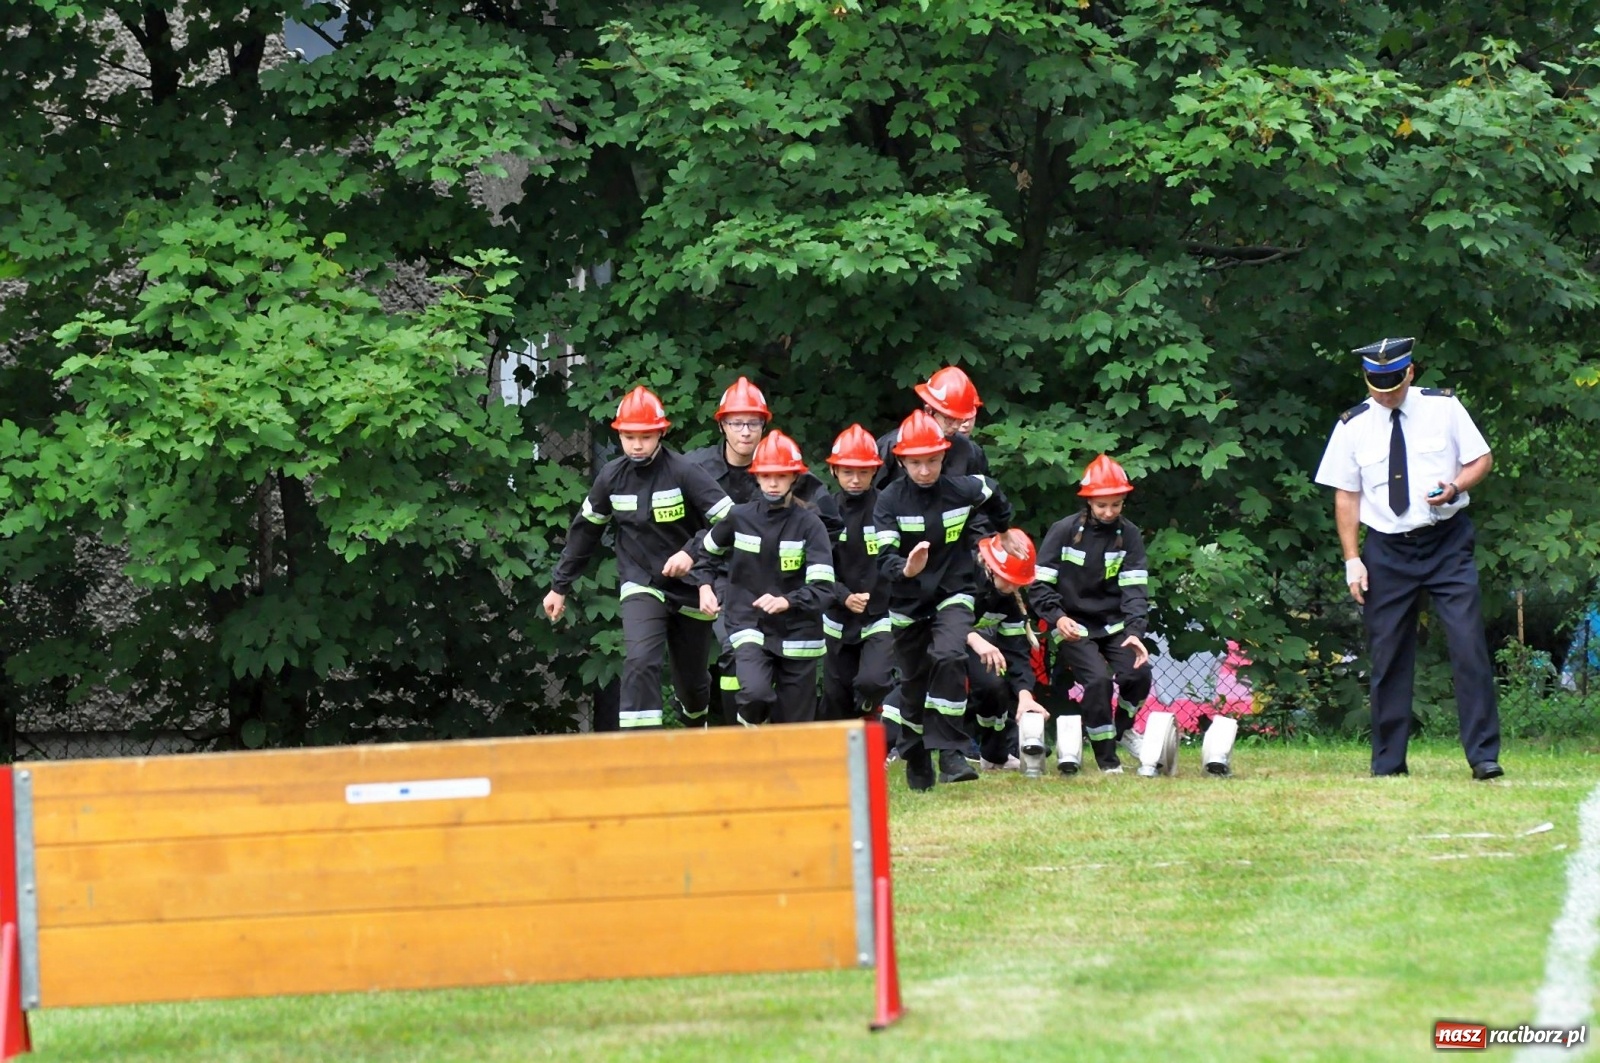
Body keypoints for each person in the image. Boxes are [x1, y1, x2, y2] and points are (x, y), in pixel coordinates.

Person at [1313, 337, 1502, 780]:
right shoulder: (1353, 424)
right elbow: (1346, 494)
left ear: (1410, 373)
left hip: (1446, 541)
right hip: (1387, 549)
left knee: (1468, 645)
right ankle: (1388, 764)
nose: (1385, 393)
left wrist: (1455, 487)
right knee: (1388, 656)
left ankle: (1483, 757)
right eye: (1376, 385)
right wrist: (1352, 559)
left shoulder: (1444, 408)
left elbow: (1482, 459)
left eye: (1393, 384)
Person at [544, 386, 732, 730]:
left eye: (645, 436)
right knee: (641, 659)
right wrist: (559, 586)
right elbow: (585, 530)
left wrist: (692, 553)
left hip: (691, 587)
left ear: (661, 432)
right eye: (628, 436)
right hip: (641, 582)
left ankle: (696, 723)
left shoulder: (683, 472)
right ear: (619, 435)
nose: (637, 444)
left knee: (692, 685)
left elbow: (729, 520)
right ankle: (640, 745)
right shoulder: (611, 477)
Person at [686, 376, 841, 723]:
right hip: (742, 594)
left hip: (795, 610)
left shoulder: (807, 514)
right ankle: (735, 728)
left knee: (794, 721)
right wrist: (704, 584)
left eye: (753, 423)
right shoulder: (699, 471)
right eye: (737, 422)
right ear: (723, 425)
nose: (745, 431)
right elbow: (705, 545)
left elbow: (829, 543)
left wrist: (792, 595)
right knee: (739, 664)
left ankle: (761, 739)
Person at [873, 410, 1014, 790]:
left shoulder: (961, 488)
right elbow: (884, 559)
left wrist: (1004, 529)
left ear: (943, 456)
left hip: (953, 592)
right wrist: (908, 568)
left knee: (950, 655)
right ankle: (916, 753)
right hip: (907, 602)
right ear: (901, 461)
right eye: (916, 463)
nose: (925, 470)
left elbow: (991, 490)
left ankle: (951, 753)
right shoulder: (887, 500)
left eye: (932, 461)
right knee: (914, 683)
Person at [1027, 455, 1152, 774]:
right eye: (1102, 506)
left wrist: (1135, 632)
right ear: (1088, 502)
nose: (1109, 512)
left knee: (1137, 674)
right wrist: (1058, 618)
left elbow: (1135, 589)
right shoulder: (1063, 531)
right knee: (1098, 681)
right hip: (1071, 624)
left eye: (1115, 505)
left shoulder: (1130, 535)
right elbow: (1039, 586)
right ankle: (1107, 761)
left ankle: (1123, 729)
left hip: (1116, 624)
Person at [819, 424, 896, 722]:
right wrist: (843, 596)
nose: (855, 479)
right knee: (836, 696)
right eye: (848, 471)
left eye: (863, 472)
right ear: (834, 471)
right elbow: (815, 565)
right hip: (837, 618)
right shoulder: (824, 511)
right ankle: (841, 758)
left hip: (880, 614)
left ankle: (869, 709)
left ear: (874, 472)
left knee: (873, 681)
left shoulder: (886, 507)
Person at [968, 530, 1048, 770]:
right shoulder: (964, 577)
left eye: (1018, 581)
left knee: (995, 685)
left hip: (975, 644)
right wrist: (974, 639)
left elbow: (1016, 652)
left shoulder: (1009, 599)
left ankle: (994, 755)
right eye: (1008, 578)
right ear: (991, 567)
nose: (1013, 586)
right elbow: (940, 618)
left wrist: (1025, 694)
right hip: (935, 640)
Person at [876, 366, 991, 485]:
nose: (956, 426)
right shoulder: (891, 446)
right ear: (929, 410)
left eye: (962, 419)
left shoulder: (969, 451)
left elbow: (985, 495)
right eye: (950, 419)